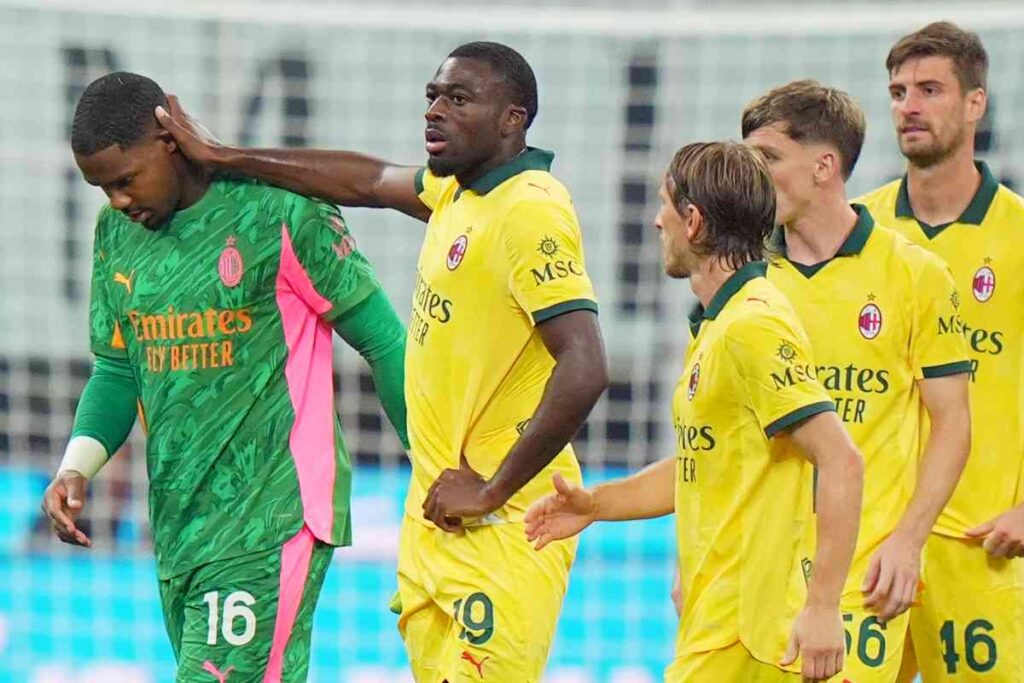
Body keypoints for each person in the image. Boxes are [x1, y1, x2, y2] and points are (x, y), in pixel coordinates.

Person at [157, 42, 609, 682]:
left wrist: (491, 489)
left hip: (506, 522)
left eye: (458, 98)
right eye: (432, 95)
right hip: (437, 517)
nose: (435, 110)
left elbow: (585, 364)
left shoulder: (531, 207)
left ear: (513, 119)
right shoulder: (460, 194)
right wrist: (228, 157)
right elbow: (365, 180)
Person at [40, 71, 409, 682]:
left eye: (125, 181)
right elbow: (116, 367)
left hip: (273, 513)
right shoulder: (116, 237)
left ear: (168, 141)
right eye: (102, 190)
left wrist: (433, 463)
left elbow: (385, 342)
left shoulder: (281, 210)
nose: (118, 203)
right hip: (182, 523)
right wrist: (75, 467)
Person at [525, 141, 864, 682]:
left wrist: (823, 608)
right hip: (722, 626)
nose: (657, 221)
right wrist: (596, 505)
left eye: (665, 205)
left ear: (694, 220)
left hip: (753, 633)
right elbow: (701, 468)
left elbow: (841, 460)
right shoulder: (718, 324)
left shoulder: (753, 326)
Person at [742, 79, 971, 682]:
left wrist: (908, 541)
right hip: (756, 569)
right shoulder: (745, 282)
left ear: (824, 166)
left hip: (861, 574)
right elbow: (718, 437)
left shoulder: (914, 274)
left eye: (766, 158)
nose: (752, 174)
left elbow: (951, 423)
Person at [857, 21, 1024, 681]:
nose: (909, 106)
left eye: (929, 89)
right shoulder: (858, 233)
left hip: (983, 546)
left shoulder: (1018, 237)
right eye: (898, 91)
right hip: (869, 548)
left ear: (975, 103)